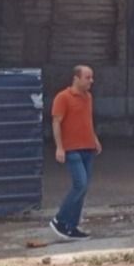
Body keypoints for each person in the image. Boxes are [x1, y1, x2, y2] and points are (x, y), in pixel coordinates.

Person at [50, 65, 101, 241]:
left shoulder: (88, 97)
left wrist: (94, 139)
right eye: (87, 77)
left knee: (83, 188)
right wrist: (59, 147)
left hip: (88, 148)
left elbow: (87, 120)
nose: (91, 81)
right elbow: (56, 123)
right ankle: (60, 219)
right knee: (80, 184)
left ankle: (72, 227)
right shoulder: (63, 98)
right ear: (76, 78)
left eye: (91, 77)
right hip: (72, 149)